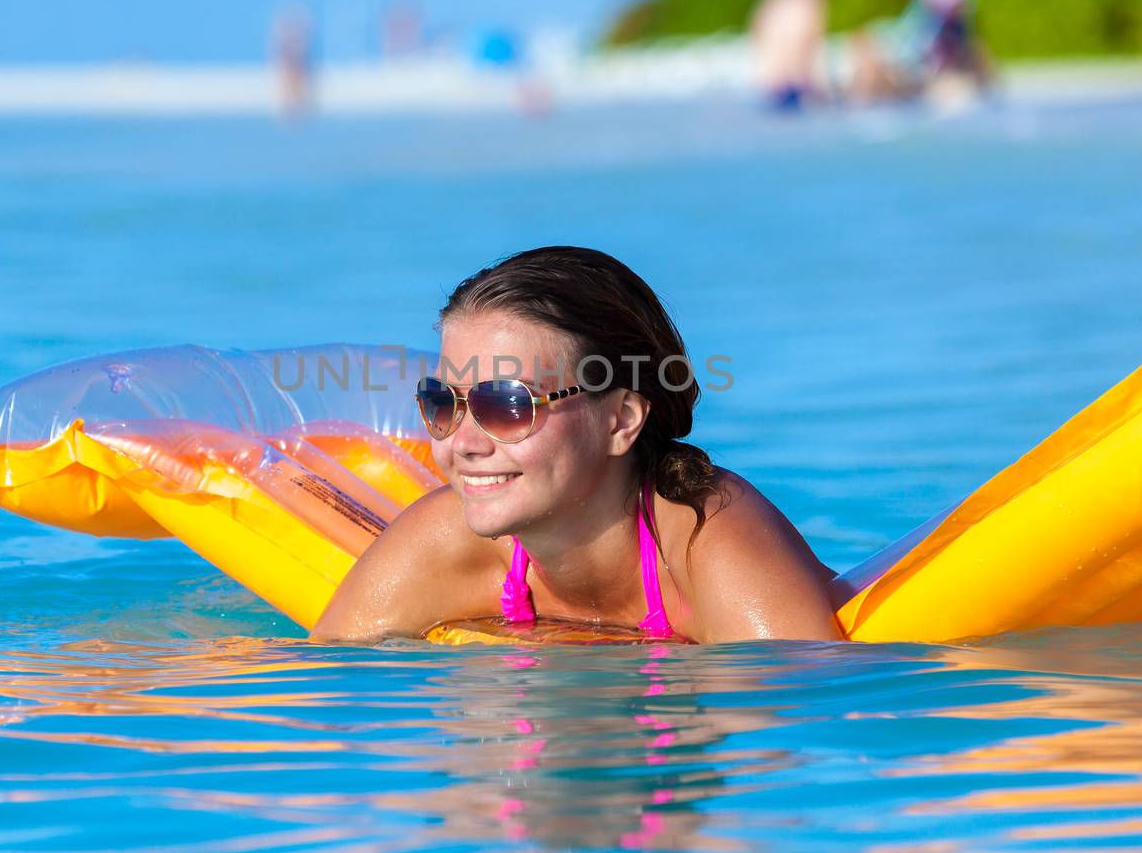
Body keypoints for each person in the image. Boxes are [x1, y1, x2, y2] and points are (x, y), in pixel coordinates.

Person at [313, 246, 842, 644]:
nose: (464, 442)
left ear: (620, 421)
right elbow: (323, 700)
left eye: (508, 404)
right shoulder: (443, 540)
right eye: (443, 402)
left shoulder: (712, 541)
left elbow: (793, 734)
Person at [748, 0, 830, 112]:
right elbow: (804, 42)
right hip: (791, 80)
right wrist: (814, 82)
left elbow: (756, 25)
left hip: (771, 77)